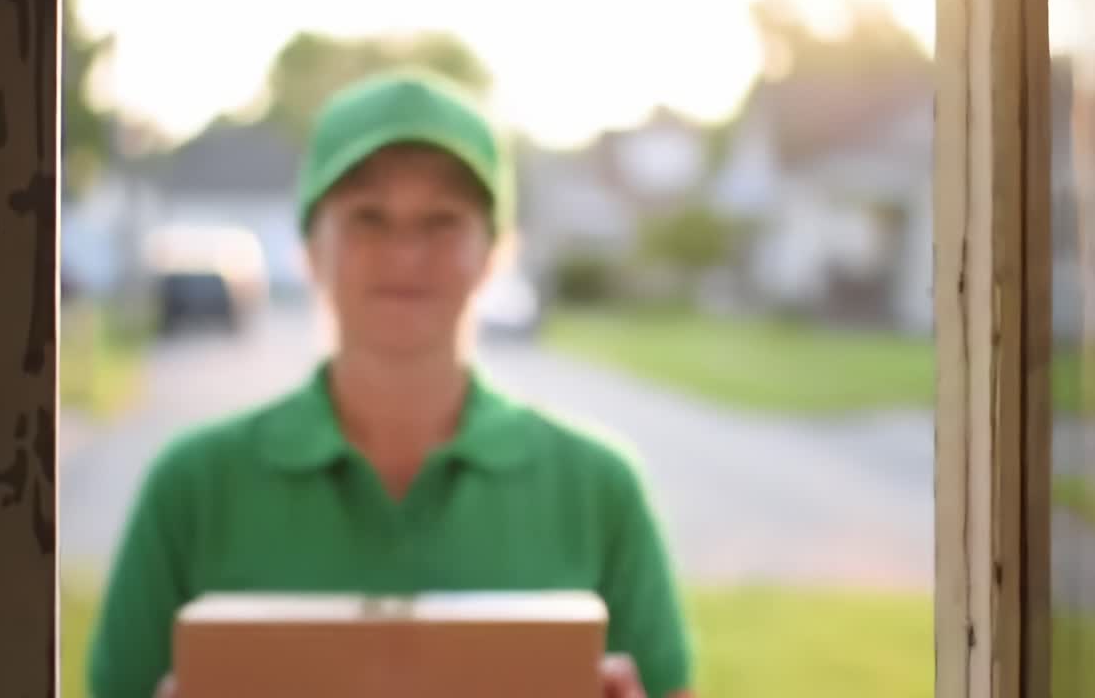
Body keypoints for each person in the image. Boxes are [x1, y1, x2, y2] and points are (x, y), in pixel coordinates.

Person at [87, 68, 694, 698]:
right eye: (368, 218)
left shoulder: (599, 490)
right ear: (311, 248)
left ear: (492, 253)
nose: (406, 254)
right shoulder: (192, 487)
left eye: (442, 221)